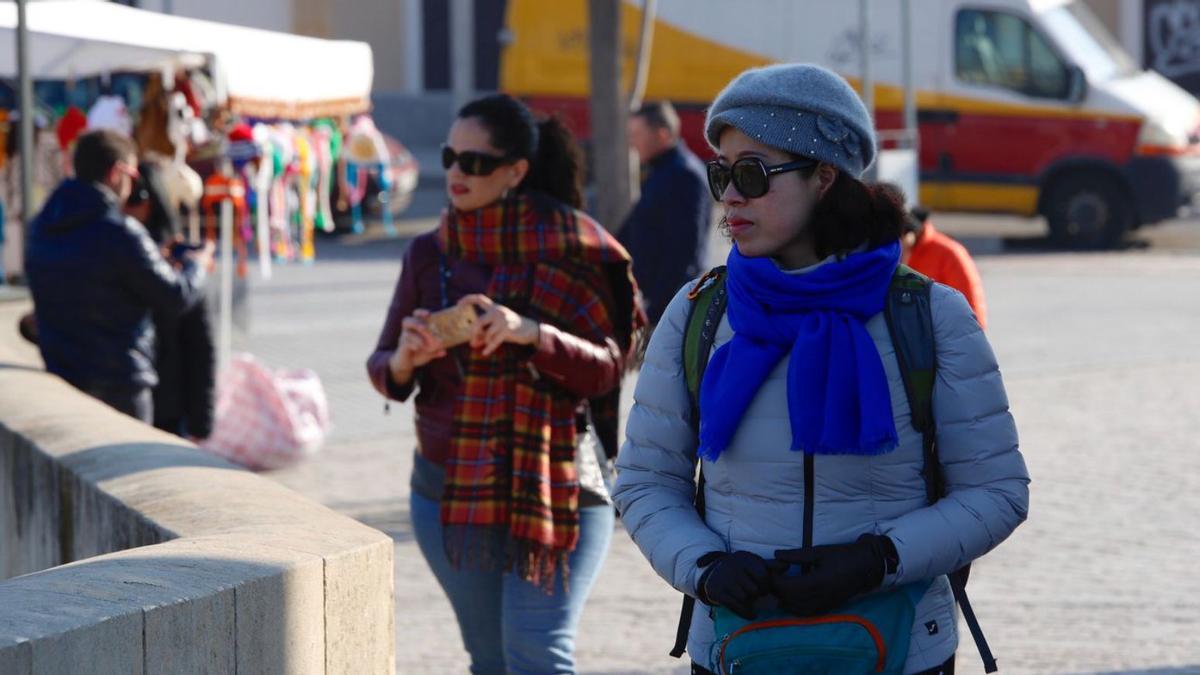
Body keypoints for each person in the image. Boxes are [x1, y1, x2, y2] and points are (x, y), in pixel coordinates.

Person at [612, 64, 1029, 675]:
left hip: (899, 648)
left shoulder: (929, 314)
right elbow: (646, 482)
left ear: (824, 176)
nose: (730, 195)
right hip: (737, 645)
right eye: (722, 174)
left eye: (752, 173)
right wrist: (706, 566)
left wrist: (878, 560)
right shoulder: (698, 311)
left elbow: (996, 491)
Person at [366, 94, 643, 674]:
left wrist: (531, 333)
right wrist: (407, 359)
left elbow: (608, 367)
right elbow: (385, 370)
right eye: (450, 157)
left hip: (561, 480)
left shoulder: (576, 246)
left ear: (516, 170)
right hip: (449, 487)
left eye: (475, 163)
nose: (456, 174)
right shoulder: (429, 252)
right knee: (491, 660)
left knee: (537, 653)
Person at [26, 130, 213, 423]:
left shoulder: (41, 228)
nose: (132, 187)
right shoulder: (121, 233)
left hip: (63, 382)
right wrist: (197, 265)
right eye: (132, 176)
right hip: (120, 388)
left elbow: (88, 276)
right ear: (116, 173)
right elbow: (175, 296)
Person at [125, 159, 216, 439]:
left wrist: (201, 422)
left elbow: (200, 347)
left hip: (165, 405)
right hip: (139, 396)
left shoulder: (178, 261)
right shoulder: (115, 250)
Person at [619, 101, 712, 327]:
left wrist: (655, 312)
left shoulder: (683, 176)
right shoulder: (664, 171)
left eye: (637, 134)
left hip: (670, 313)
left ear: (662, 135)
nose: (632, 142)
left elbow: (683, 257)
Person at [902, 206, 989, 329]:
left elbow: (970, 303)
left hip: (946, 335)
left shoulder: (949, 252)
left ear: (911, 233)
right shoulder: (897, 255)